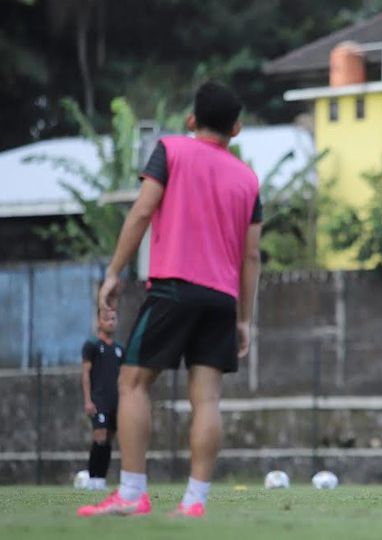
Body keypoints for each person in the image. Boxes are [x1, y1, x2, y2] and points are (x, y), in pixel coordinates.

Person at [77, 80, 262, 518]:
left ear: (191, 120)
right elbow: (251, 254)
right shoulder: (248, 178)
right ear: (236, 129)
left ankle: (131, 493)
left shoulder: (171, 149)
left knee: (133, 383)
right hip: (221, 298)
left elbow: (142, 211)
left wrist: (113, 272)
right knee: (208, 401)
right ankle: (194, 502)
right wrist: (244, 318)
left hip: (174, 287)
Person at [80, 307, 124, 491]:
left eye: (114, 318)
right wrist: (88, 400)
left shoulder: (119, 349)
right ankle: (92, 477)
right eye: (107, 318)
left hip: (115, 401)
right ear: (99, 322)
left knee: (109, 439)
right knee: (100, 436)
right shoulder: (91, 345)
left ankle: (101, 480)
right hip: (99, 400)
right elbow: (85, 374)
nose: (111, 322)